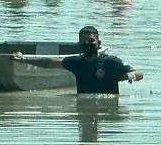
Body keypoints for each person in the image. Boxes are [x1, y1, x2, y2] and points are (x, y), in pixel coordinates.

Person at [13, 26, 143, 94]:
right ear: (79, 44)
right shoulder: (76, 63)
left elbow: (139, 73)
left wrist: (131, 75)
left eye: (91, 40)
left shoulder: (110, 62)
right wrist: (24, 60)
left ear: (99, 43)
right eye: (83, 41)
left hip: (108, 106)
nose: (87, 43)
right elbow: (48, 62)